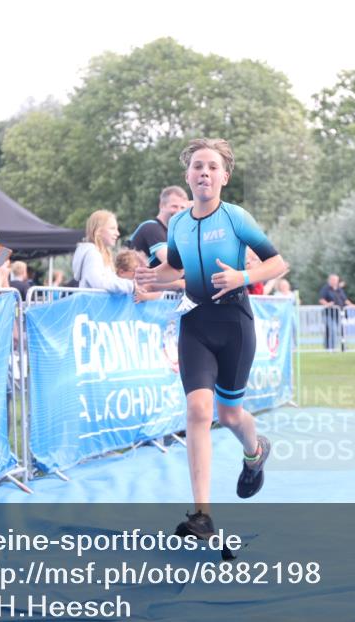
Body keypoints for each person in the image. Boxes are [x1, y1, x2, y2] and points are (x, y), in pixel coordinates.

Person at [135, 138, 288, 539]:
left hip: (235, 322)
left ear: (224, 176)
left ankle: (255, 453)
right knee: (199, 412)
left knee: (230, 415)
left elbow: (278, 262)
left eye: (212, 167)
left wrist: (242, 277)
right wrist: (154, 276)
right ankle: (202, 514)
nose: (204, 172)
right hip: (196, 323)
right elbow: (174, 269)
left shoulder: (236, 217)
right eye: (197, 166)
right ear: (187, 176)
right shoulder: (180, 223)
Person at [126, 186, 189, 293]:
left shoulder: (172, 234)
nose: (179, 212)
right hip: (132, 294)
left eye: (183, 208)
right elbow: (174, 264)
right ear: (162, 206)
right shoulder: (151, 227)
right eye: (174, 206)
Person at [72, 210, 135, 294]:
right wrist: (132, 286)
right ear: (98, 231)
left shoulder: (100, 253)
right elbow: (99, 283)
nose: (118, 233)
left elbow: (109, 280)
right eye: (112, 228)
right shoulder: (92, 254)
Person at [318, 274, 352, 350]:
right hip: (328, 314)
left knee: (341, 331)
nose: (334, 281)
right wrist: (327, 304)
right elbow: (321, 299)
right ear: (329, 280)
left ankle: (341, 346)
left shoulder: (339, 289)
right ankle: (331, 347)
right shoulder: (326, 289)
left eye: (336, 280)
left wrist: (352, 305)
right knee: (332, 329)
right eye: (333, 280)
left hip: (339, 314)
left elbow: (345, 299)